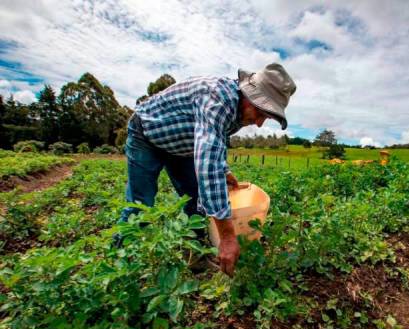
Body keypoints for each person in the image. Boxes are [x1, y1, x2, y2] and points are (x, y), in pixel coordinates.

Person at [118, 63, 296, 276]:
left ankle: (195, 257)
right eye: (260, 112)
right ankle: (119, 267)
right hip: (146, 134)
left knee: (195, 201)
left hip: (183, 146)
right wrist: (228, 238)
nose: (259, 123)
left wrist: (224, 170)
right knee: (139, 206)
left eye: (266, 117)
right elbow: (207, 167)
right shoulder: (218, 100)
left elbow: (214, 144)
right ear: (249, 94)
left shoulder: (239, 110)